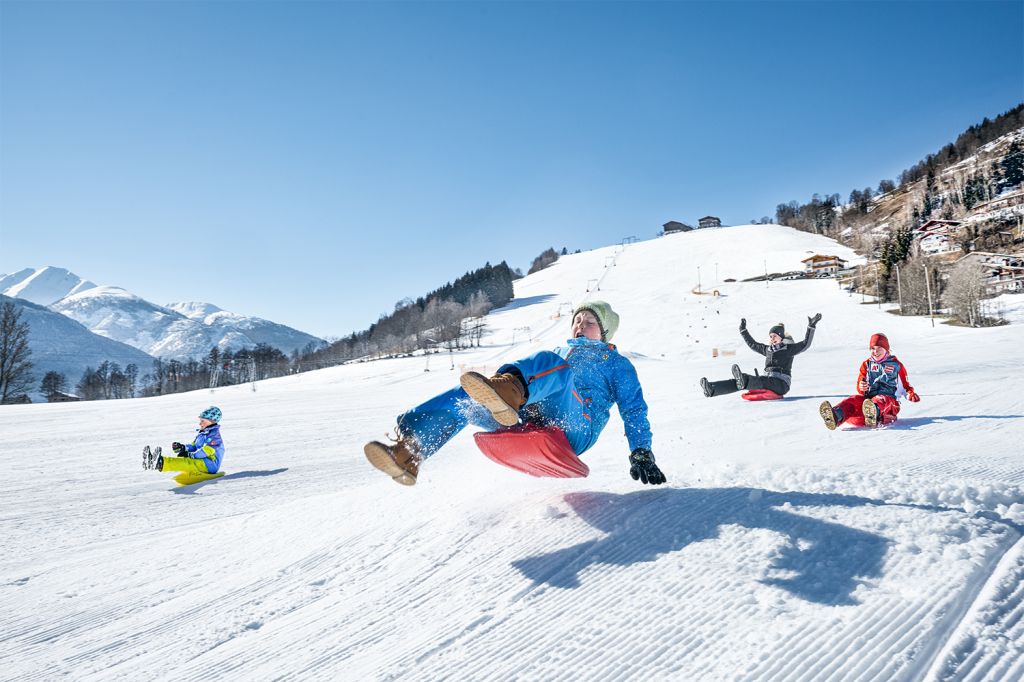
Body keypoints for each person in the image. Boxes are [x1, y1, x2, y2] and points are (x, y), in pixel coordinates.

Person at [363, 301, 666, 487]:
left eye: (589, 322)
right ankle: (409, 451)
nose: (579, 325)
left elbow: (634, 409)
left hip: (578, 426)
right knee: (467, 398)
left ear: (604, 332)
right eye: (576, 320)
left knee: (555, 366)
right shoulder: (562, 350)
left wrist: (641, 450)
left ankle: (509, 391)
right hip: (528, 413)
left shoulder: (615, 363)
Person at [700, 313, 822, 398]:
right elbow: (753, 344)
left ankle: (744, 380)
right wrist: (743, 330)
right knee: (738, 382)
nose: (772, 338)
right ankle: (713, 389)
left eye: (775, 336)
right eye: (770, 336)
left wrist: (811, 326)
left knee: (754, 380)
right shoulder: (767, 350)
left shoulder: (788, 349)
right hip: (767, 381)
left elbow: (806, 344)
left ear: (781, 337)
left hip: (781, 384)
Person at [819, 333, 920, 429]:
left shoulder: (896, 365)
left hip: (890, 403)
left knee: (881, 399)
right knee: (853, 399)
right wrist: (861, 387)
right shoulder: (867, 364)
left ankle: (873, 413)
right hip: (868, 401)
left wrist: (910, 394)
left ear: (886, 349)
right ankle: (836, 415)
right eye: (872, 348)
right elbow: (860, 385)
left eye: (879, 348)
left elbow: (906, 386)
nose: (875, 352)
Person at [147, 406, 226, 473]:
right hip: (202, 460)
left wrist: (191, 455)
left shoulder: (214, 435)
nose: (200, 423)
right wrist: (183, 447)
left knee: (186, 462)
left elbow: (207, 450)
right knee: (183, 459)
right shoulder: (203, 433)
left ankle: (160, 463)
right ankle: (153, 461)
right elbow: (194, 446)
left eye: (202, 421)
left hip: (210, 464)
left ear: (212, 421)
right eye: (200, 420)